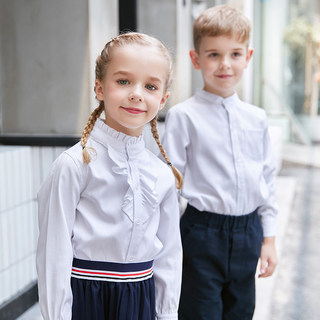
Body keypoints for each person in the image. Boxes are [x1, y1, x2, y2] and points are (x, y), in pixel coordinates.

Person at [36, 32, 183, 320]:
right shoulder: (74, 164)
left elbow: (169, 254)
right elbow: (54, 250)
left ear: (163, 98)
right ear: (99, 87)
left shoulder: (161, 174)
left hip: (140, 296)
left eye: (150, 86)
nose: (137, 93)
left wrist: (167, 313)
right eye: (123, 81)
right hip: (86, 297)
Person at [162, 5, 278, 320]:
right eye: (213, 54)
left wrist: (268, 240)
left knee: (241, 313)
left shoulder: (258, 118)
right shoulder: (183, 116)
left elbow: (266, 182)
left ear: (248, 56)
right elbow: (169, 187)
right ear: (196, 59)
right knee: (200, 314)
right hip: (202, 233)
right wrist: (165, 246)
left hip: (248, 233)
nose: (225, 64)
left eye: (235, 54)